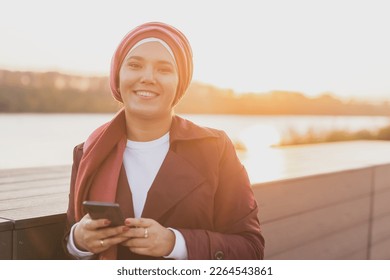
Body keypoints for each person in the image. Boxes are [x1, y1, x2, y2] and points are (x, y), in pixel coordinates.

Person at [64, 22, 265, 260]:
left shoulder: (215, 148)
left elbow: (250, 250)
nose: (147, 77)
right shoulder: (88, 152)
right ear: (117, 75)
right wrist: (78, 241)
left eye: (164, 69)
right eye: (135, 65)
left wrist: (176, 243)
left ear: (180, 83)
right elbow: (69, 243)